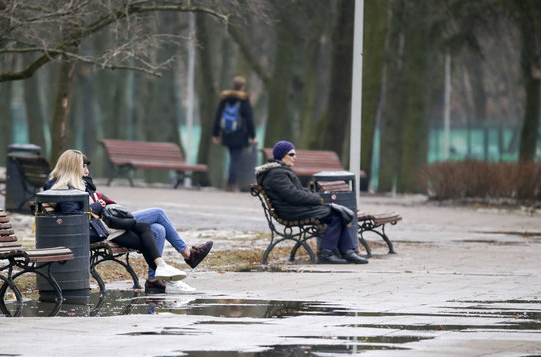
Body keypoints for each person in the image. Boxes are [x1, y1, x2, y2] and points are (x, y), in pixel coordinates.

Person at [44, 150, 213, 291]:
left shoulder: (79, 183)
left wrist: (96, 199)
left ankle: (154, 280)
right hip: (100, 226)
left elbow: (93, 200)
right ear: (73, 167)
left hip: (106, 222)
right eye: (83, 166)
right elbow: (78, 214)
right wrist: (97, 206)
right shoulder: (62, 187)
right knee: (158, 213)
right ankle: (188, 254)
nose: (87, 169)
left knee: (158, 230)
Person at [255, 141, 368, 265]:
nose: (295, 157)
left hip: (293, 208)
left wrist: (312, 194)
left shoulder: (279, 171)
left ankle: (347, 251)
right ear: (282, 155)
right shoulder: (277, 174)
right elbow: (293, 195)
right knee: (335, 215)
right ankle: (328, 253)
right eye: (291, 154)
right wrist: (317, 199)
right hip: (290, 211)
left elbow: (295, 191)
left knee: (337, 213)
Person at [212, 75, 256, 192]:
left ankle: (231, 182)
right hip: (240, 134)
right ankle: (231, 184)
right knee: (235, 160)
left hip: (227, 133)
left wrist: (215, 134)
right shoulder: (244, 101)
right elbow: (250, 119)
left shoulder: (225, 99)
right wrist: (253, 136)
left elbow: (218, 117)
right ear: (242, 87)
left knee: (232, 158)